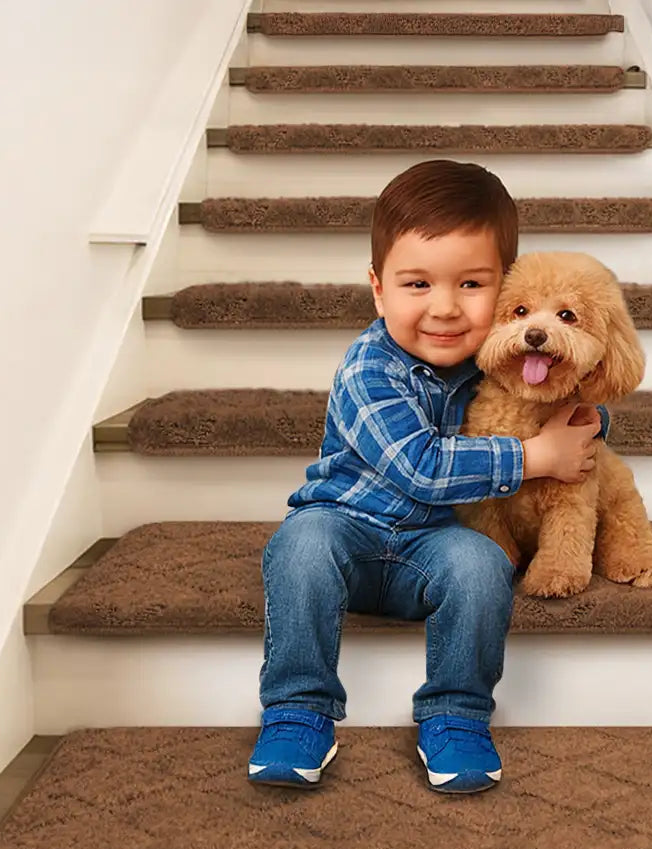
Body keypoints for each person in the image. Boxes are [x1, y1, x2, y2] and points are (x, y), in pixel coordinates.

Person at [248, 159, 607, 794]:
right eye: (417, 284)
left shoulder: (499, 362)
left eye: (471, 284)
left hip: (433, 551)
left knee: (480, 564)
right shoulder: (369, 369)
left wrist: (588, 420)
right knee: (299, 546)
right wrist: (537, 459)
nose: (444, 309)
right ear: (378, 288)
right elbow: (420, 468)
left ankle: (457, 714)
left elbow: (566, 393)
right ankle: (297, 710)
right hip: (348, 533)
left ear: (505, 292)